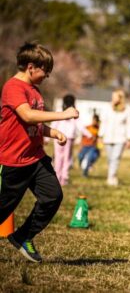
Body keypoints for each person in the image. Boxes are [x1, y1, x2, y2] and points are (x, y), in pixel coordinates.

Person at [0, 42, 79, 262]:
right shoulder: (13, 87)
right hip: (13, 161)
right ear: (31, 67)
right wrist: (63, 115)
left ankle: (23, 236)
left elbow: (33, 124)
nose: (47, 75)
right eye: (46, 70)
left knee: (53, 196)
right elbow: (27, 115)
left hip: (35, 158)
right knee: (3, 208)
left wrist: (53, 133)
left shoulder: (34, 91)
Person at [50, 94, 91, 185]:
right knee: (67, 159)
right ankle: (64, 178)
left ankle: (58, 177)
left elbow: (53, 124)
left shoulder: (59, 111)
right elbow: (80, 126)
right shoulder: (73, 112)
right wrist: (89, 134)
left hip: (58, 137)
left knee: (58, 157)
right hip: (69, 138)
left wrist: (47, 137)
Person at [98, 89, 130, 186]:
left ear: (120, 98)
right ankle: (113, 176)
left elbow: (129, 124)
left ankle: (110, 177)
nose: (113, 99)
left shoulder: (127, 109)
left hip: (120, 138)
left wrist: (129, 138)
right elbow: (103, 122)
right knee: (110, 159)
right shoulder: (107, 108)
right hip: (108, 137)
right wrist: (100, 135)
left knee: (116, 158)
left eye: (115, 97)